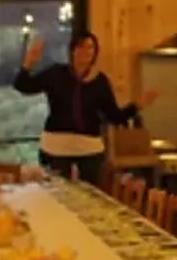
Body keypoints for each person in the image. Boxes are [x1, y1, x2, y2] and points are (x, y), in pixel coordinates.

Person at [13, 32, 158, 184]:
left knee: (92, 198)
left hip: (89, 150)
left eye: (90, 47)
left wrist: (137, 106)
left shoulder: (100, 81)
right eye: (81, 47)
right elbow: (22, 85)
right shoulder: (56, 74)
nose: (85, 52)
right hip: (56, 148)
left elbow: (115, 117)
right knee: (57, 196)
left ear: (95, 52)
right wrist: (28, 63)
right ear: (72, 50)